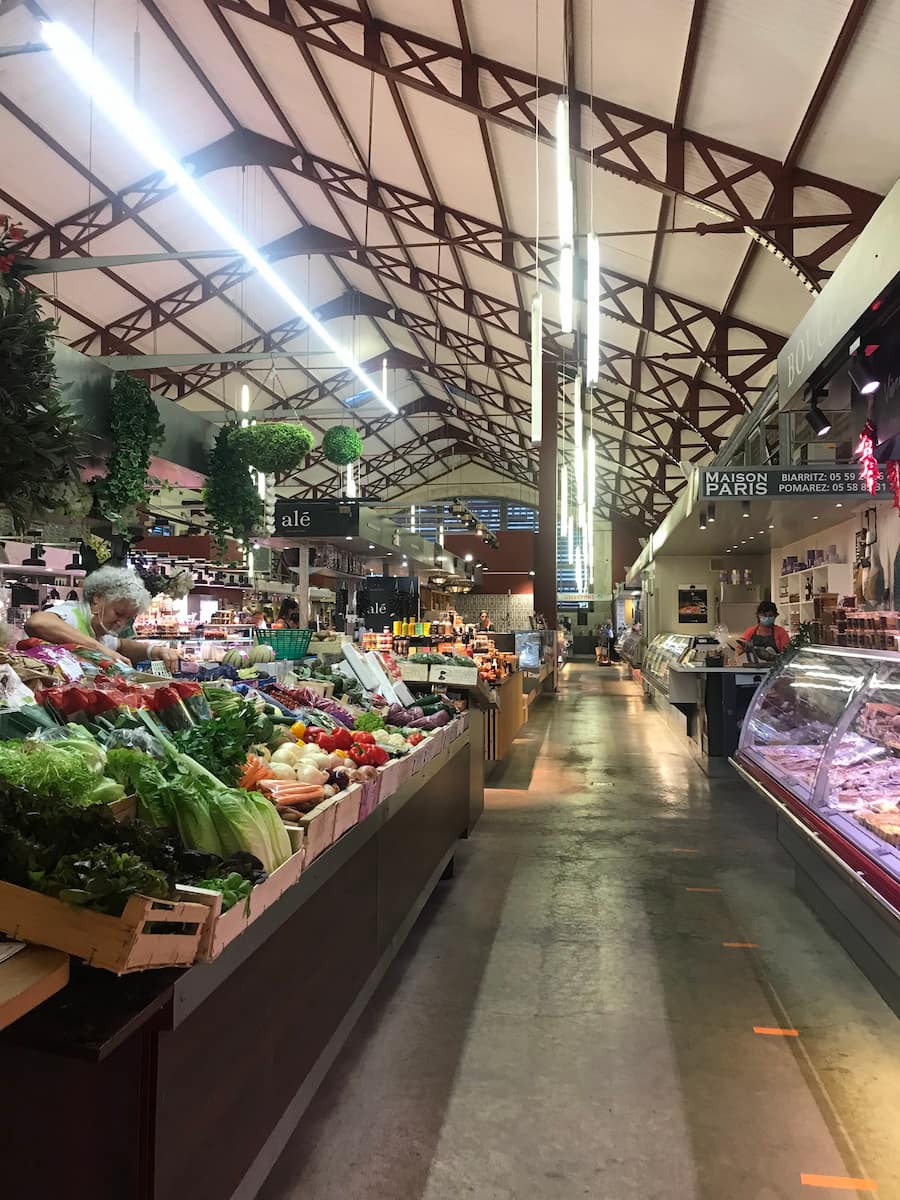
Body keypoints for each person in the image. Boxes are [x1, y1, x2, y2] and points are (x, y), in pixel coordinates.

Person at [24, 565, 180, 671]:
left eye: (128, 619)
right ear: (97, 598)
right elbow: (37, 622)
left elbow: (120, 645)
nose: (121, 623)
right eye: (118, 613)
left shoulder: (99, 629)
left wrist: (155, 651)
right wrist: (101, 650)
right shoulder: (73, 614)